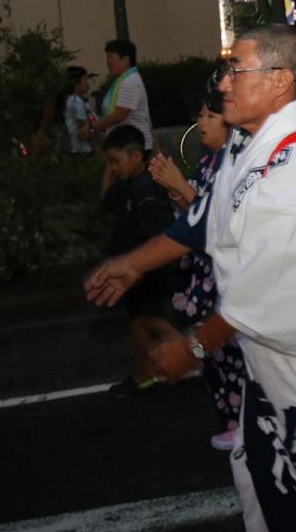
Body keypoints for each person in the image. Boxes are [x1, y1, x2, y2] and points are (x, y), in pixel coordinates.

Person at [86, 25, 296, 531]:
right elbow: (205, 221)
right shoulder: (248, 145)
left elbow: (272, 285)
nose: (223, 84)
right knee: (260, 473)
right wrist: (134, 263)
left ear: (280, 81)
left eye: (235, 70)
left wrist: (195, 346)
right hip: (266, 358)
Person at [149, 89, 244, 451]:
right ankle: (234, 420)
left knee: (228, 350)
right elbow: (193, 214)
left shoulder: (233, 165)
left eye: (209, 116)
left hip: (225, 272)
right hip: (207, 270)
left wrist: (179, 187)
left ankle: (244, 422)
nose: (201, 122)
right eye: (200, 116)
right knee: (215, 355)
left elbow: (216, 223)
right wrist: (175, 190)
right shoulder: (208, 162)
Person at [101, 124, 180, 398]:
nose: (112, 168)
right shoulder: (128, 185)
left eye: (116, 161)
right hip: (133, 270)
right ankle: (145, 373)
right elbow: (106, 200)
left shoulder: (145, 188)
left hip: (145, 271)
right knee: (139, 320)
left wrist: (139, 268)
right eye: (109, 162)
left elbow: (154, 235)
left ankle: (189, 352)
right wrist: (109, 166)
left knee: (147, 319)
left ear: (137, 156)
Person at [94, 39, 154, 151]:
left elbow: (119, 115)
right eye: (107, 58)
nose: (108, 62)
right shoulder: (121, 81)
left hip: (132, 146)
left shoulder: (130, 81)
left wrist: (95, 127)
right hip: (124, 144)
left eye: (111, 57)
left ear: (126, 60)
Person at [61, 66, 95, 155]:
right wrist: (94, 126)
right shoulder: (76, 101)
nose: (87, 83)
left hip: (74, 148)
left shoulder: (71, 99)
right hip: (80, 150)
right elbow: (83, 132)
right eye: (85, 79)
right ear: (76, 83)